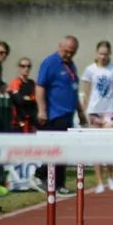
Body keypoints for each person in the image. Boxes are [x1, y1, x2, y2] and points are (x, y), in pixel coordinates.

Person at [31, 37, 88, 197]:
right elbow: (40, 87)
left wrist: (81, 112)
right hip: (54, 114)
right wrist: (42, 110)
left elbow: (73, 91)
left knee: (64, 150)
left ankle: (59, 184)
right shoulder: (50, 62)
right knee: (58, 149)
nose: (68, 55)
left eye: (72, 53)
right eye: (66, 52)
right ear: (59, 47)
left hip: (67, 113)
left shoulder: (71, 65)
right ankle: (40, 175)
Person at [80, 41, 113, 193]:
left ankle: (110, 177)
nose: (103, 56)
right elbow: (86, 93)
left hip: (109, 111)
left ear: (110, 54)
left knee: (109, 145)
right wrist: (83, 112)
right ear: (96, 53)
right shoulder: (90, 70)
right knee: (97, 147)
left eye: (106, 54)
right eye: (101, 53)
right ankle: (99, 182)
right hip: (94, 111)